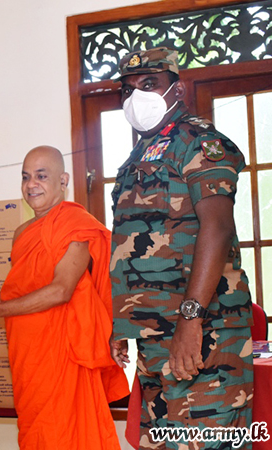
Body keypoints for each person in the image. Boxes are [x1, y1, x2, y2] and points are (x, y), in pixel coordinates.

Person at [109, 47, 253, 449]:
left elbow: (218, 228)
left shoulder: (201, 143)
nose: (137, 96)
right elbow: (131, 241)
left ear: (179, 89)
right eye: (128, 89)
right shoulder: (139, 153)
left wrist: (191, 319)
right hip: (154, 339)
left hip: (204, 335)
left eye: (149, 83)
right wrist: (122, 322)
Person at [0, 146, 128, 449]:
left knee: (66, 434)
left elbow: (62, 290)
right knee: (36, 432)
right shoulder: (22, 232)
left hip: (63, 352)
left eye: (41, 176)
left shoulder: (75, 225)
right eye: (25, 177)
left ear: (63, 180)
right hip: (28, 354)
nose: (31, 184)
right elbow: (15, 292)